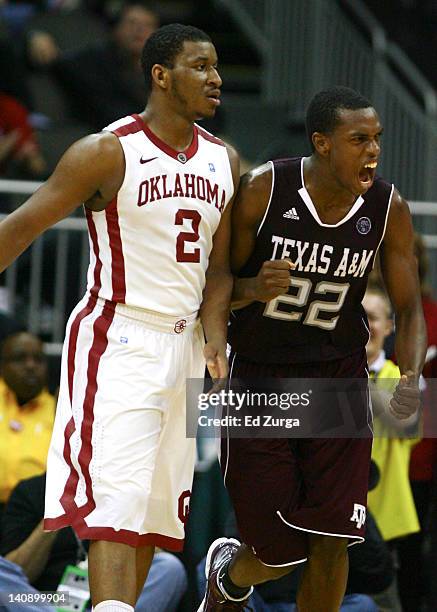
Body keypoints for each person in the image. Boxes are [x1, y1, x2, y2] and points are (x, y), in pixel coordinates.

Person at [0, 22, 239, 612]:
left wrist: (215, 336)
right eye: (200, 66)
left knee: (152, 519)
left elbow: (219, 270)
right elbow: (21, 227)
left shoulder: (225, 160)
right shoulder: (106, 151)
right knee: (115, 505)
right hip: (119, 336)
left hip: (183, 347)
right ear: (160, 75)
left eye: (216, 67)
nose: (216, 79)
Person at [197, 86, 426, 611]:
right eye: (359, 139)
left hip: (338, 381)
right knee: (278, 552)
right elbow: (215, 282)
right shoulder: (263, 189)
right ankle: (230, 576)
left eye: (378, 140)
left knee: (332, 542)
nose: (373, 151)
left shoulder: (387, 208)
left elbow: (411, 309)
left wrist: (409, 376)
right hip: (261, 378)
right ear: (322, 143)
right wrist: (252, 291)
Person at [0, 473, 187, 612]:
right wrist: (53, 517)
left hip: (108, 598)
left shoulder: (126, 487)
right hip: (43, 599)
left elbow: (151, 556)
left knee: (169, 568)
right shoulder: (31, 490)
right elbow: (17, 571)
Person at [363, 287, 420, 611]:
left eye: (372, 317)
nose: (365, 325)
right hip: (333, 516)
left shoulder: (400, 378)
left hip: (385, 522)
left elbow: (410, 424)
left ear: (389, 326)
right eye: (357, 317)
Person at [54, 2, 159, 130]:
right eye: (132, 23)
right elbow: (59, 63)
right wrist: (32, 38)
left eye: (148, 25)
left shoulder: (161, 70)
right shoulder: (93, 62)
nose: (139, 30)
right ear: (116, 29)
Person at [0, 331, 54, 513]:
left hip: (34, 514)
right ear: (2, 365)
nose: (30, 366)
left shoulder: (60, 411)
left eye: (38, 359)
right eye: (19, 359)